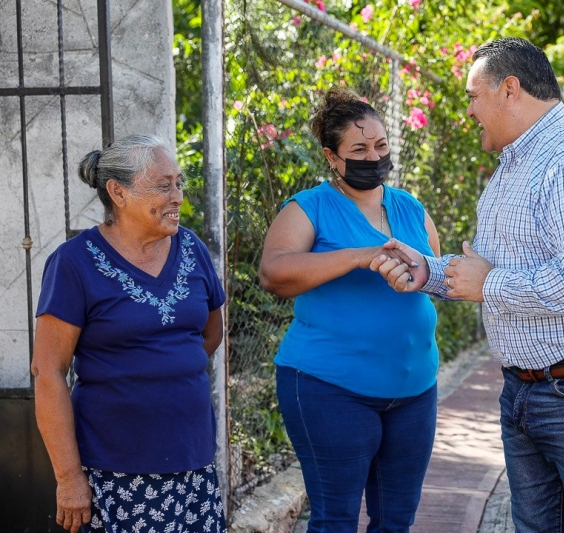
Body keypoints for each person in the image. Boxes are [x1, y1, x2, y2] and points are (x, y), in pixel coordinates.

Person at [372, 38, 564, 533]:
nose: (468, 110)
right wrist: (429, 271)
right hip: (532, 389)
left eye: (472, 96)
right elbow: (492, 269)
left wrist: (490, 285)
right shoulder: (516, 162)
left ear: (510, 89)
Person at [259, 87, 441, 533]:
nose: (373, 156)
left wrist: (427, 274)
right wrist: (359, 256)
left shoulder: (410, 207)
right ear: (332, 157)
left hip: (415, 390)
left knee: (396, 521)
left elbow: (433, 275)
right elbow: (274, 273)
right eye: (358, 148)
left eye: (380, 145)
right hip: (330, 389)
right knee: (336, 521)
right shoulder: (309, 207)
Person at [31, 135, 227, 533]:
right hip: (113, 471)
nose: (178, 197)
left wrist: (165, 374)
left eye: (178, 182)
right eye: (162, 185)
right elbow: (48, 371)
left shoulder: (192, 249)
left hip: (193, 462)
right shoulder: (74, 263)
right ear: (117, 193)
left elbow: (210, 333)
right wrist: (69, 479)